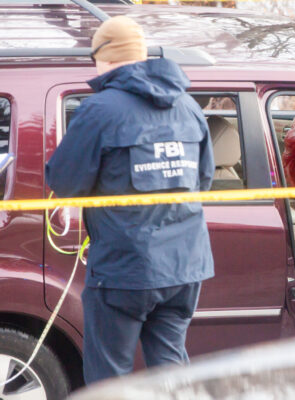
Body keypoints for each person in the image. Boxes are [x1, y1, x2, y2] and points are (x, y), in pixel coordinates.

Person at [45, 16, 215, 384]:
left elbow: (64, 181)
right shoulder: (188, 107)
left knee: (110, 379)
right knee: (171, 371)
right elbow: (203, 180)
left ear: (103, 56)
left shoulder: (99, 110)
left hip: (125, 268)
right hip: (185, 266)